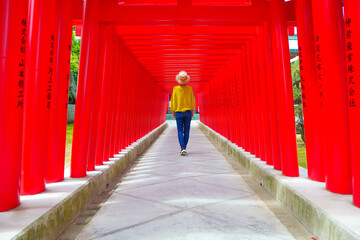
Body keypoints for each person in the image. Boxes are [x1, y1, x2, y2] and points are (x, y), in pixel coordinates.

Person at [170, 71, 195, 156]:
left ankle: (182, 147)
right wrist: (192, 110)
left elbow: (173, 101)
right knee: (187, 131)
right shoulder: (190, 89)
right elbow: (192, 100)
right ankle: (184, 148)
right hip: (187, 112)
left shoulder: (175, 89)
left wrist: (173, 110)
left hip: (178, 112)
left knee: (180, 131)